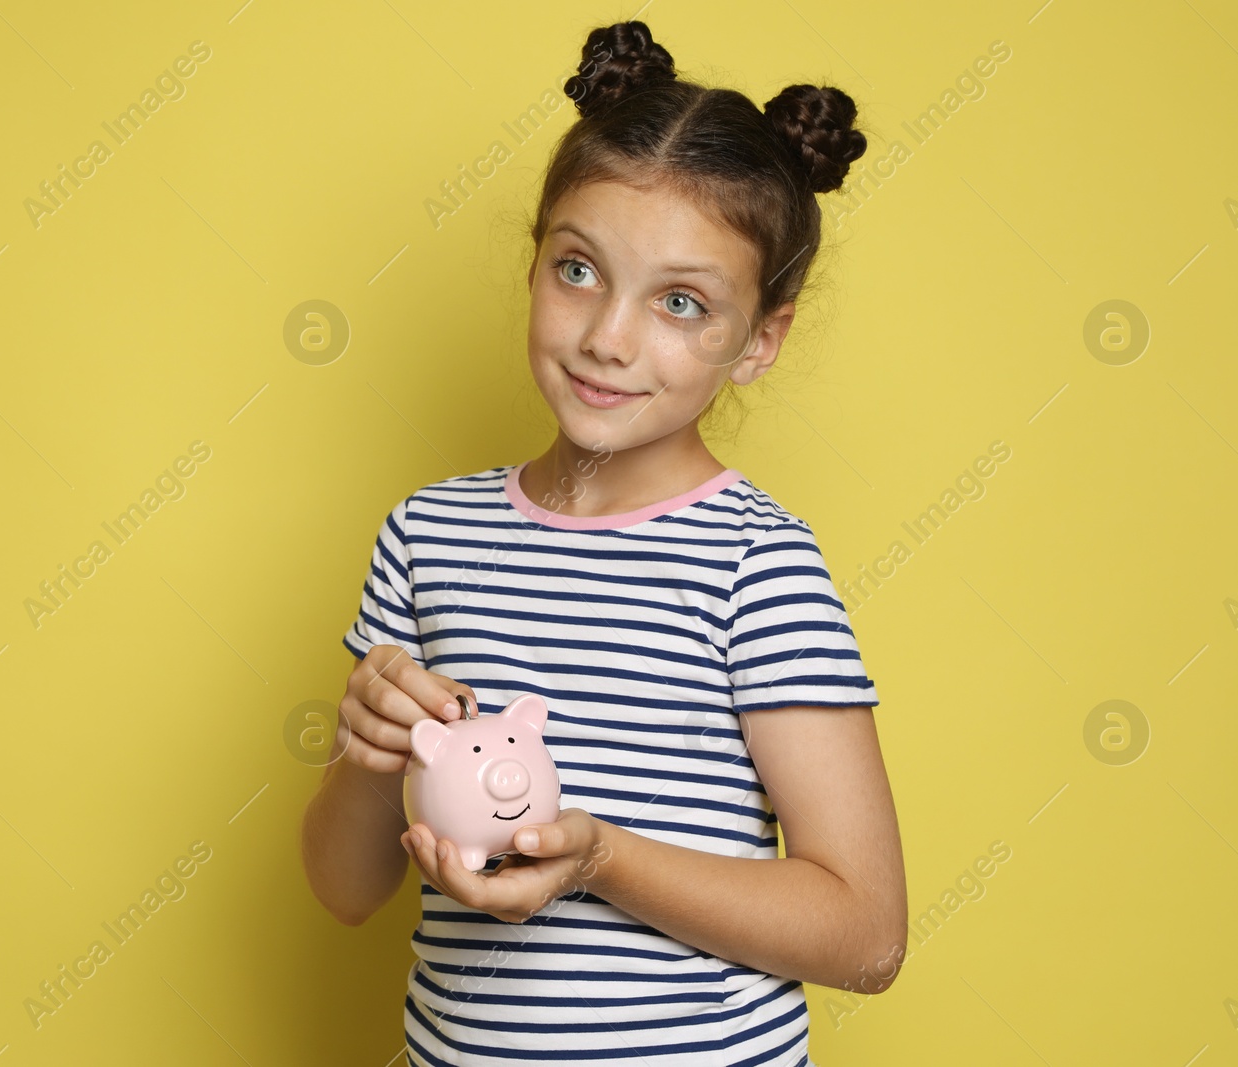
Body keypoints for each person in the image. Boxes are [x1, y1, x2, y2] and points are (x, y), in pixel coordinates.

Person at [301, 19, 906, 1066]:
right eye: (578, 270)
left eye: (681, 302)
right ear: (535, 258)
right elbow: (344, 890)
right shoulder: (427, 534)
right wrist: (363, 757)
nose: (608, 337)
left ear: (759, 338)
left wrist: (601, 859)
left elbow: (864, 934)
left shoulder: (754, 565)